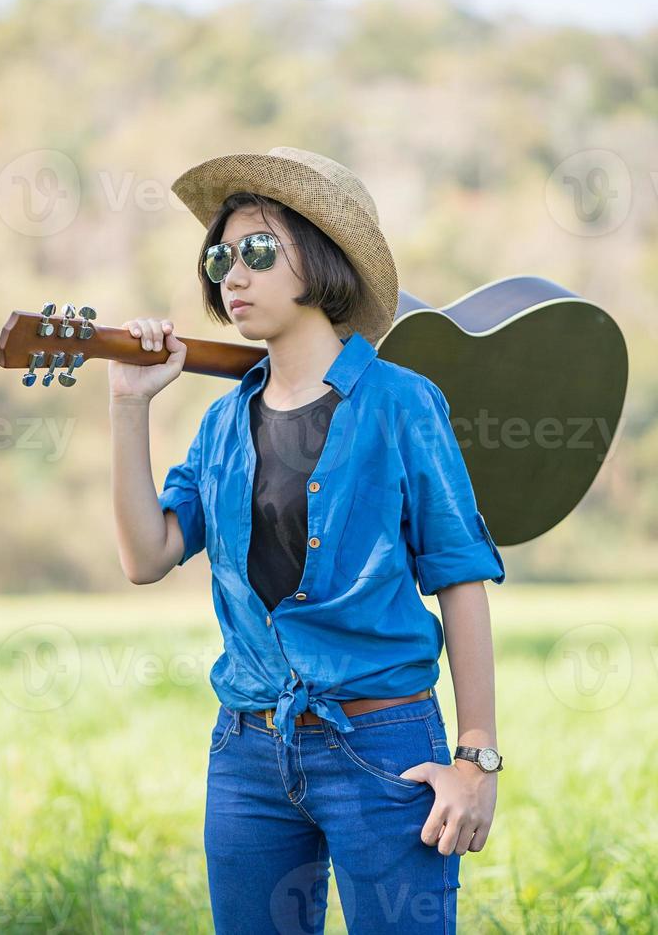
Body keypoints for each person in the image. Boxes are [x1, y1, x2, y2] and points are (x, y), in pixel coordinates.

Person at [108, 147, 507, 934]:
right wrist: (129, 406)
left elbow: (459, 579)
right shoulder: (222, 424)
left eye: (258, 251)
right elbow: (145, 556)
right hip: (249, 753)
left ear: (320, 261)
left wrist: (477, 760)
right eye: (220, 256)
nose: (233, 274)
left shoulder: (402, 404)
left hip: (387, 750)